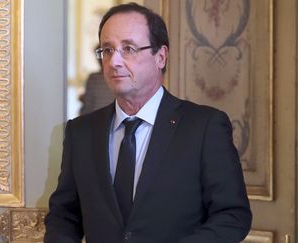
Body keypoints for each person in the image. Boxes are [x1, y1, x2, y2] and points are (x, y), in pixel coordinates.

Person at [45, 3, 252, 243]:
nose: (114, 62)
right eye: (107, 50)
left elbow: (232, 216)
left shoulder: (205, 127)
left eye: (129, 48)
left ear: (161, 56)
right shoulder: (81, 132)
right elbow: (64, 215)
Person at [79, 48, 115, 115]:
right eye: (98, 55)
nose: (99, 59)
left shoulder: (93, 78)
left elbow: (87, 108)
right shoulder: (93, 78)